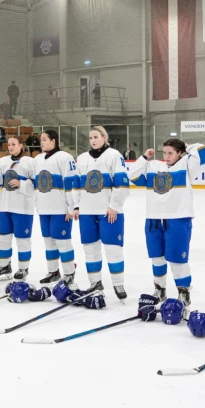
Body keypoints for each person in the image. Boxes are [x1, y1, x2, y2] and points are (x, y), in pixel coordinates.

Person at [127, 139, 205, 319]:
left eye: (170, 153)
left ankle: (183, 292)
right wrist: (144, 157)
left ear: (179, 153)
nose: (166, 157)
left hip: (178, 219)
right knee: (157, 257)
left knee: (177, 260)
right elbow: (132, 176)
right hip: (153, 219)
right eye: (164, 153)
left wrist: (187, 146)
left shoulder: (187, 164)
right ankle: (160, 289)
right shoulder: (153, 166)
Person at [74, 126, 130, 300]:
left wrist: (114, 206)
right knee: (90, 249)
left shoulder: (114, 156)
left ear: (104, 137)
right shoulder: (82, 159)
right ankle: (95, 283)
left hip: (109, 212)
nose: (93, 140)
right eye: (90, 138)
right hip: (87, 212)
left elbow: (122, 184)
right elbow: (76, 186)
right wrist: (76, 206)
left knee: (113, 249)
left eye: (96, 137)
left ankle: (118, 283)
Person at [32, 130, 78, 284]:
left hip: (60, 210)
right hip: (44, 209)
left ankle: (69, 273)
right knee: (49, 242)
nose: (42, 142)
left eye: (45, 139)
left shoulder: (65, 157)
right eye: (41, 140)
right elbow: (36, 184)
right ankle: (53, 272)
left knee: (63, 242)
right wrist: (37, 205)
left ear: (54, 141)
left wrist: (71, 208)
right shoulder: (37, 159)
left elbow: (71, 183)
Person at [0, 135, 36, 281]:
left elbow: (36, 183)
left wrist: (22, 184)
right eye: (9, 144)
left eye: (14, 144)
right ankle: (4, 266)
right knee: (3, 238)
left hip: (23, 208)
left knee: (22, 240)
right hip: (5, 207)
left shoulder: (30, 162)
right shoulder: (2, 161)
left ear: (21, 145)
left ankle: (23, 269)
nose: (10, 147)